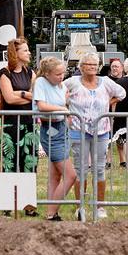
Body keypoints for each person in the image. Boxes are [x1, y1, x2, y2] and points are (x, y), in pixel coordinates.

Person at [65, 53, 126, 219]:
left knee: (99, 169)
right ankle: (80, 206)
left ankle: (100, 206)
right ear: (81, 67)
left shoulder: (106, 82)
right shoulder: (72, 82)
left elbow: (122, 93)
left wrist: (108, 103)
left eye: (95, 64)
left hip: (101, 130)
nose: (92, 67)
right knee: (81, 169)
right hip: (78, 130)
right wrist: (66, 108)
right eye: (88, 64)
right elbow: (58, 93)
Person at [0, 38, 39, 208]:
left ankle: (28, 205)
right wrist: (26, 94)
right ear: (16, 53)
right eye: (25, 50)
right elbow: (9, 98)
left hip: (29, 124)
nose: (29, 53)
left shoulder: (31, 73)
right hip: (11, 125)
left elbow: (36, 96)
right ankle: (7, 205)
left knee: (29, 163)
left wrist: (20, 93)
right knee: (9, 163)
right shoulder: (4, 73)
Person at [33, 57, 75, 221]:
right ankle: (51, 212)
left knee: (55, 176)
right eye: (58, 74)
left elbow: (63, 102)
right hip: (50, 130)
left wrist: (65, 111)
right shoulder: (40, 83)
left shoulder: (61, 85)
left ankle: (51, 213)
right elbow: (42, 106)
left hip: (61, 128)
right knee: (70, 175)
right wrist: (62, 109)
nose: (61, 76)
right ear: (47, 74)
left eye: (63, 73)